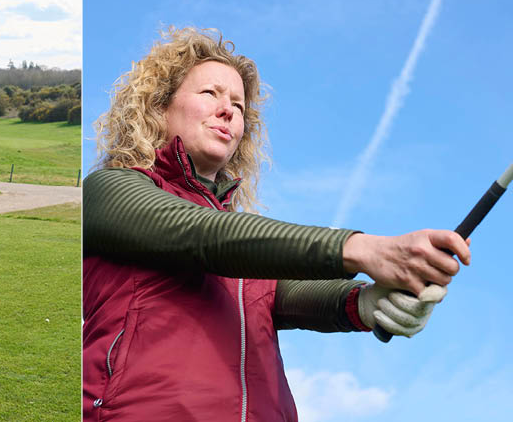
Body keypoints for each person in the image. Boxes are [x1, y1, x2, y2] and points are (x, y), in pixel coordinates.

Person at [82, 28, 471, 421]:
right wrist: (366, 249)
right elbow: (202, 236)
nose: (228, 110)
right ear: (159, 105)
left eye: (238, 104)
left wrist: (371, 302)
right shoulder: (111, 190)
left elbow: (292, 293)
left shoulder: (246, 253)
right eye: (210, 93)